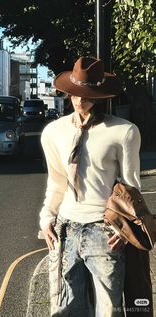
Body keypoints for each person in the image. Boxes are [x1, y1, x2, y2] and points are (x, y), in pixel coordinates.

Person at [39, 57, 152, 316]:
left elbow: (131, 186)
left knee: (109, 309)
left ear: (101, 94)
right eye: (76, 93)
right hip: (65, 230)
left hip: (105, 232)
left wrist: (125, 230)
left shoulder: (124, 131)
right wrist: (46, 218)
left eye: (88, 94)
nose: (81, 100)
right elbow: (56, 182)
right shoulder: (53, 132)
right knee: (69, 308)